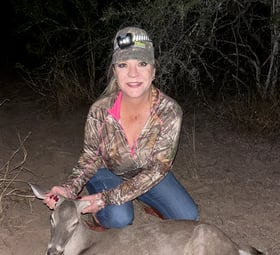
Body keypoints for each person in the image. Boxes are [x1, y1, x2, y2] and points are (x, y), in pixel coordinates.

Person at [44, 26, 199, 229]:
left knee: (188, 216)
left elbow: (158, 168)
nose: (133, 74)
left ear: (153, 71)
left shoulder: (170, 111)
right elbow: (90, 158)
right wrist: (69, 189)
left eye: (142, 63)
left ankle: (145, 200)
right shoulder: (99, 111)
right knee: (119, 218)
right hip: (108, 171)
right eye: (123, 65)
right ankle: (101, 213)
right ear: (114, 71)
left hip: (148, 174)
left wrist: (106, 199)